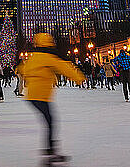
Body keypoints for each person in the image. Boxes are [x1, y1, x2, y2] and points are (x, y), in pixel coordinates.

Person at [19, 32, 85, 164]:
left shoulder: (33, 57)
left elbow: (23, 70)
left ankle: (50, 150)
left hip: (32, 95)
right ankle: (50, 152)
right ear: (49, 42)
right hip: (41, 96)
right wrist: (79, 77)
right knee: (51, 122)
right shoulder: (47, 57)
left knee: (49, 121)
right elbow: (64, 67)